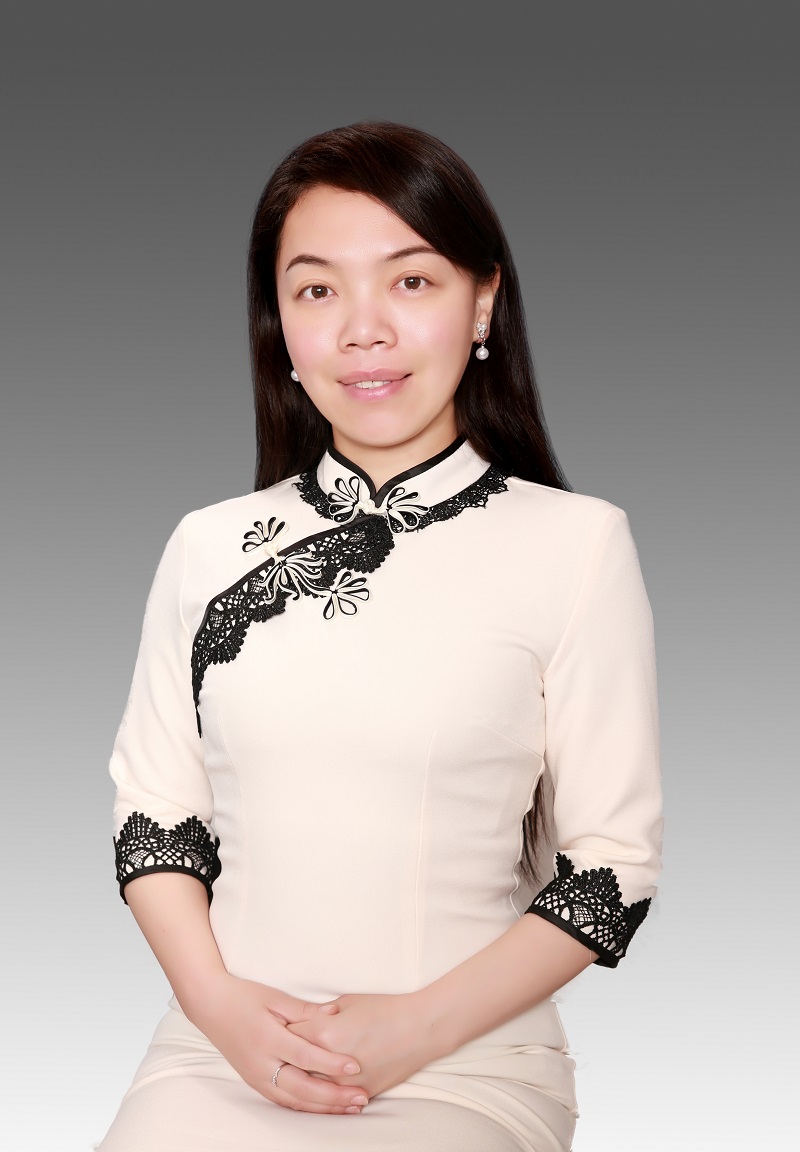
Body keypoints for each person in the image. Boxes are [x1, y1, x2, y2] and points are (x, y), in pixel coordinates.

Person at [95, 121, 663, 1152]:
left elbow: (610, 870)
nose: (363, 330)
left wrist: (409, 1033)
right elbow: (155, 817)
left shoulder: (577, 545)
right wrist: (222, 1010)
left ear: (482, 301)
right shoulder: (206, 545)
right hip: (217, 1052)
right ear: (279, 323)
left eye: (410, 281)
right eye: (317, 289)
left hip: (466, 1066)